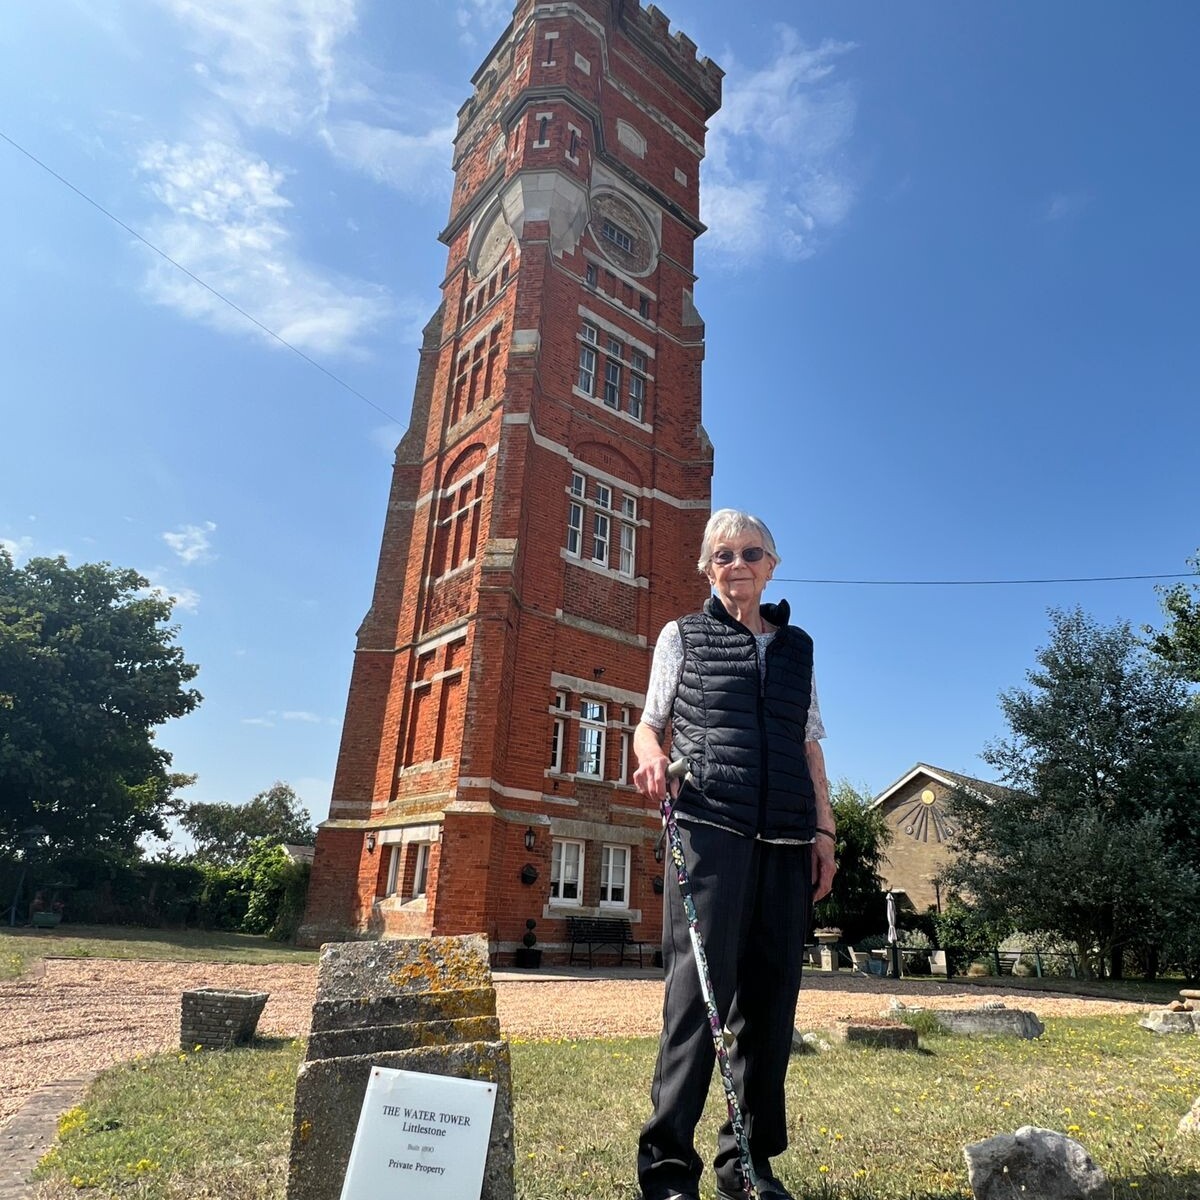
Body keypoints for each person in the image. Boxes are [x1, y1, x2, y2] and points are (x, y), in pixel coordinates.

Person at [633, 508, 837, 1200]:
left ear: (772, 566)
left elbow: (811, 745)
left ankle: (747, 1167)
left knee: (771, 1003)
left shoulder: (798, 647)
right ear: (706, 567)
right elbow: (647, 726)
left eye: (751, 553)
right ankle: (666, 1168)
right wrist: (653, 759)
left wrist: (826, 830)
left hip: (785, 835)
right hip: (708, 828)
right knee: (698, 998)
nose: (737, 564)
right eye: (722, 555)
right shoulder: (681, 636)